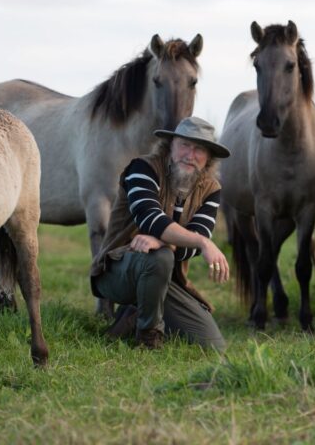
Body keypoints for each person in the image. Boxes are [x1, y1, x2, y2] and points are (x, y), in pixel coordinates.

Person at [90, 116, 231, 351]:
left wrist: (165, 241)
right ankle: (148, 336)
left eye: (199, 149)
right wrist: (203, 242)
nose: (190, 154)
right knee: (160, 257)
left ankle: (135, 313)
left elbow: (193, 245)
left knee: (213, 346)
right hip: (116, 271)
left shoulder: (211, 188)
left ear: (208, 157)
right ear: (170, 145)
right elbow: (150, 217)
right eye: (184, 144)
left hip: (165, 279)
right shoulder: (142, 168)